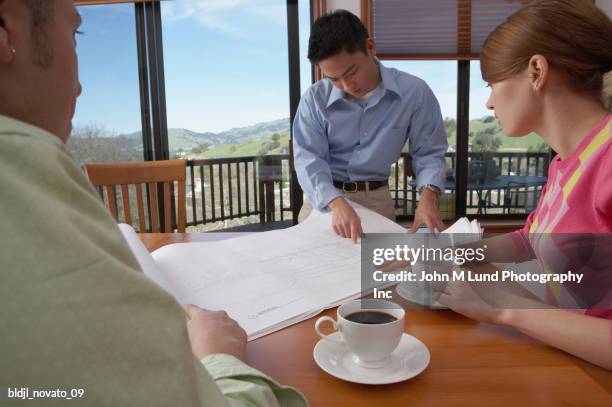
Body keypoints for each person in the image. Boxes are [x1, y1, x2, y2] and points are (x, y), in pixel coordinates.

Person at [0, 1, 307, 405]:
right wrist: (219, 356)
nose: (80, 86)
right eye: (76, 34)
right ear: (6, 29)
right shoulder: (22, 179)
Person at [431, 0, 612, 370]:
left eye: (493, 84)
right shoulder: (566, 162)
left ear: (536, 71)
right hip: (562, 363)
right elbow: (531, 239)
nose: (490, 101)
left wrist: (503, 308)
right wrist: (460, 253)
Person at [293, 10, 448, 242]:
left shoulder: (414, 93)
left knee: (378, 275)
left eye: (351, 72)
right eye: (333, 79)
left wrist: (427, 200)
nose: (346, 85)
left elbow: (429, 153)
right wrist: (336, 202)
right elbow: (308, 159)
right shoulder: (314, 99)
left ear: (370, 47)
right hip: (324, 202)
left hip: (377, 201)